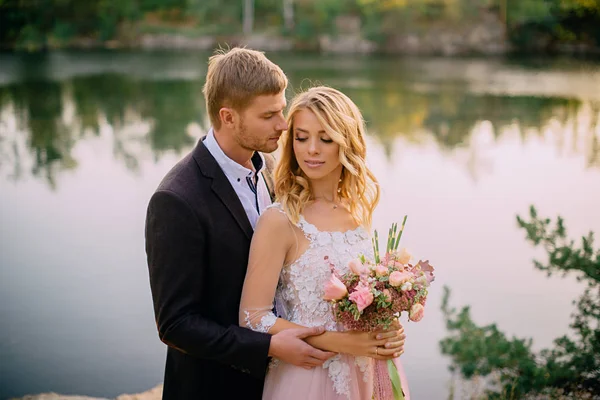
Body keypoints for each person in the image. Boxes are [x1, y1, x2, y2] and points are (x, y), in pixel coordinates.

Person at [145, 48, 339, 399]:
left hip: (284, 383)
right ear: (228, 117)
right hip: (214, 388)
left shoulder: (271, 170)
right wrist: (267, 347)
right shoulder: (176, 200)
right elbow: (177, 324)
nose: (283, 124)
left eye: (281, 110)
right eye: (269, 115)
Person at [239, 86, 410, 399]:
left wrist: (390, 329)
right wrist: (340, 343)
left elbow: (366, 300)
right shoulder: (279, 220)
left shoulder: (359, 213)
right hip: (307, 377)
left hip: (366, 373)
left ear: (346, 144)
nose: (311, 150)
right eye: (301, 137)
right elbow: (253, 318)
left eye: (325, 138)